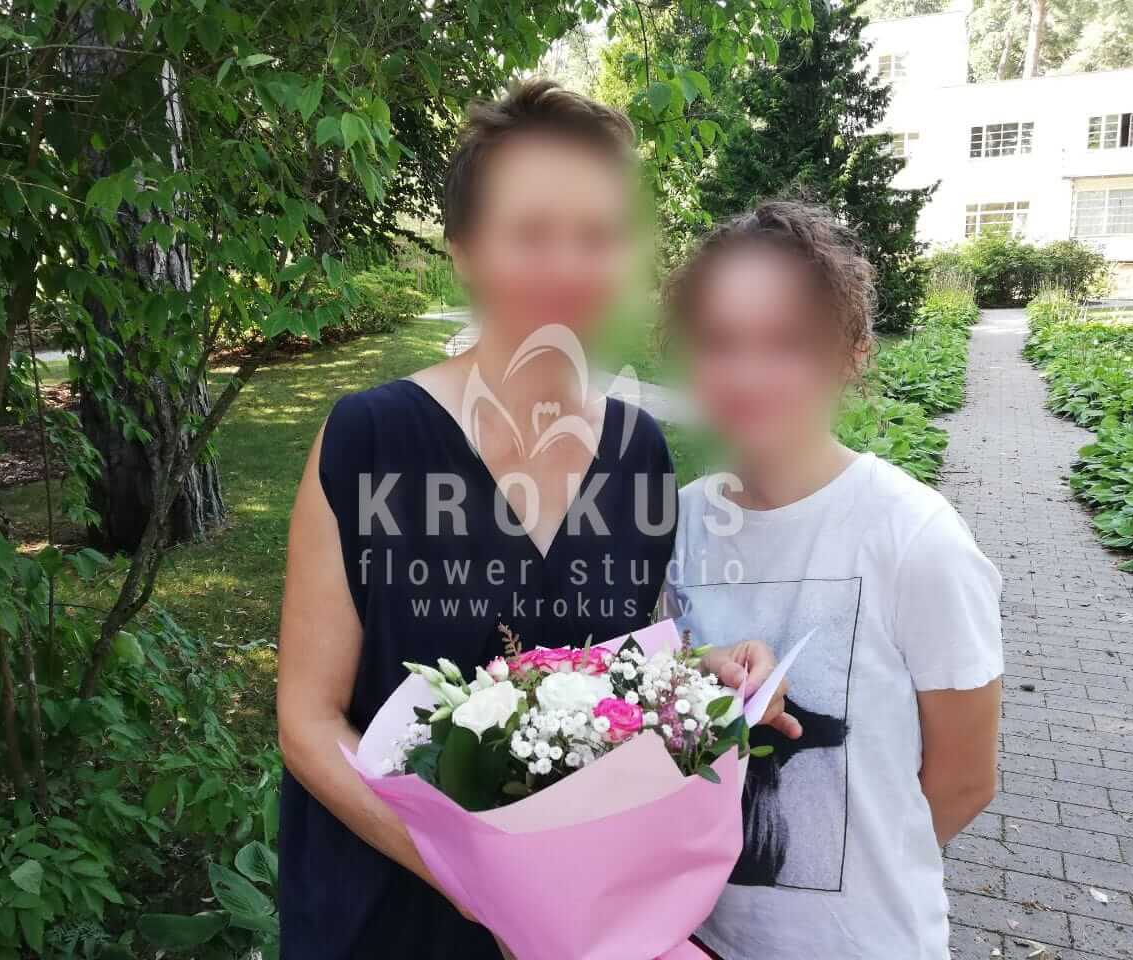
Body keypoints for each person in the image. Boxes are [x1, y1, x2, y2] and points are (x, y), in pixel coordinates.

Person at [275, 79, 790, 960]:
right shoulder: (368, 440)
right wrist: (483, 887)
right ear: (464, 250)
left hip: (581, 924)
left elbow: (613, 670)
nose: (567, 266)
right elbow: (309, 723)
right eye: (530, 232)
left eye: (596, 234)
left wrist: (698, 681)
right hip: (388, 913)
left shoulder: (638, 453)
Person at [663, 200, 1003, 959]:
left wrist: (852, 883)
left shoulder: (915, 539)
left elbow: (964, 781)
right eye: (720, 341)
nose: (747, 374)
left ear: (850, 353)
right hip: (698, 937)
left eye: (787, 342)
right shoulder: (676, 526)